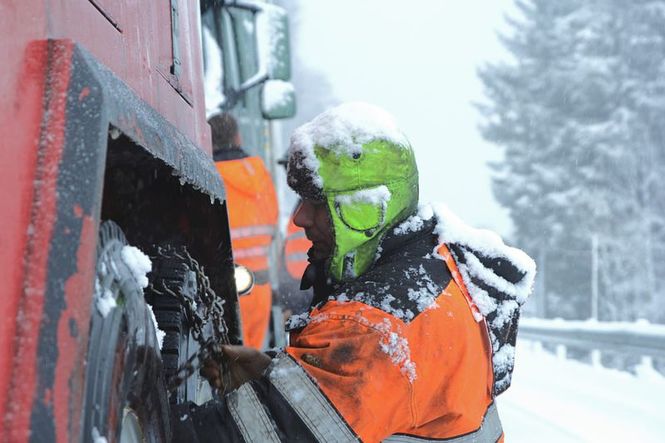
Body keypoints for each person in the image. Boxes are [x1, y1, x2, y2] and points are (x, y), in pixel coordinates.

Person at [175, 103, 536, 442]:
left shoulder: (374, 326)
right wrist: (273, 372)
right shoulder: (431, 273)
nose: (299, 218)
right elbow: (383, 398)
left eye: (317, 203)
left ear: (367, 209)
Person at [210, 112, 278, 350]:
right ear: (238, 137)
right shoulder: (258, 170)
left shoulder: (209, 173)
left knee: (224, 362)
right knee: (250, 360)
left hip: (220, 289)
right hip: (259, 285)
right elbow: (272, 219)